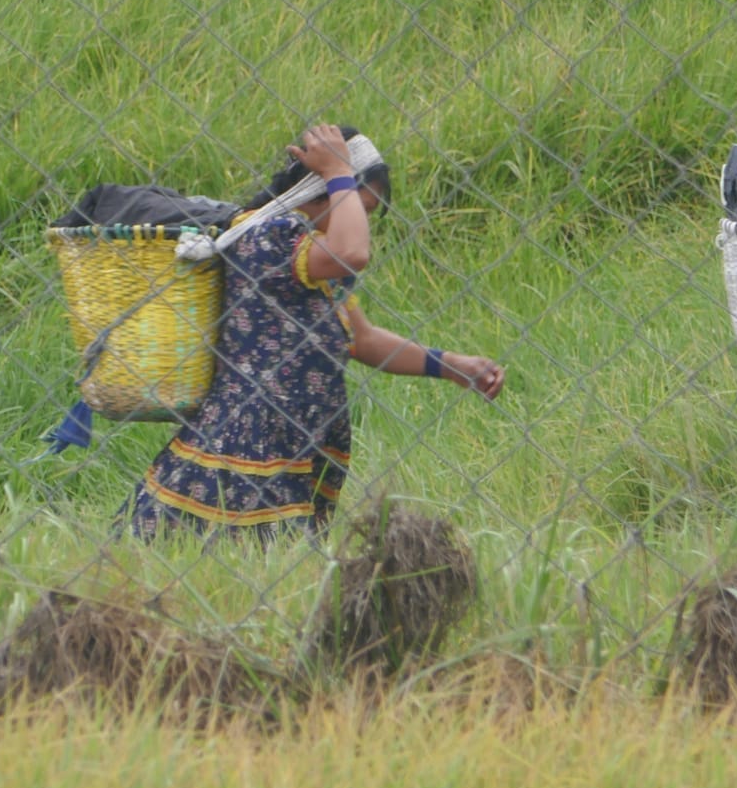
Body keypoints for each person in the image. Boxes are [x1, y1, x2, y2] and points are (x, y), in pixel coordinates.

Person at [123, 124, 505, 543]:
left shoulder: (314, 254)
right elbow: (354, 252)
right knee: (236, 560)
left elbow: (361, 338)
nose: (359, 226)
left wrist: (451, 366)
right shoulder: (267, 236)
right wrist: (339, 171)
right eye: (351, 209)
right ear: (313, 193)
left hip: (297, 439)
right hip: (247, 445)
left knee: (281, 567)